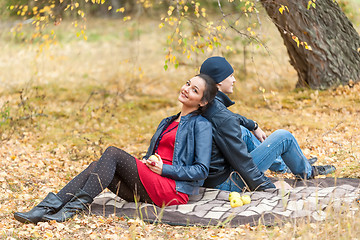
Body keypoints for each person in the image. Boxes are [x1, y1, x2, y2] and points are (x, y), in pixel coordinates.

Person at [14, 73, 218, 224]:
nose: (186, 88)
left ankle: (69, 210)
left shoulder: (201, 125)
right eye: (188, 83)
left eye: (194, 90)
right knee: (99, 166)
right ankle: (45, 208)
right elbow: (157, 155)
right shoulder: (168, 121)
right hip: (154, 182)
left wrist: (164, 169)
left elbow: (201, 170)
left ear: (203, 101)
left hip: (173, 190)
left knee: (112, 153)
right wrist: (150, 160)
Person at [200, 56, 336, 192]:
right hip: (227, 181)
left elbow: (232, 118)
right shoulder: (222, 117)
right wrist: (268, 186)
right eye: (230, 76)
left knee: (244, 131)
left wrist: (253, 125)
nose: (234, 80)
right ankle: (307, 171)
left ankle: (285, 165)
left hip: (213, 175)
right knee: (284, 137)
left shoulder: (206, 103)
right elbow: (242, 163)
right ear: (218, 82)